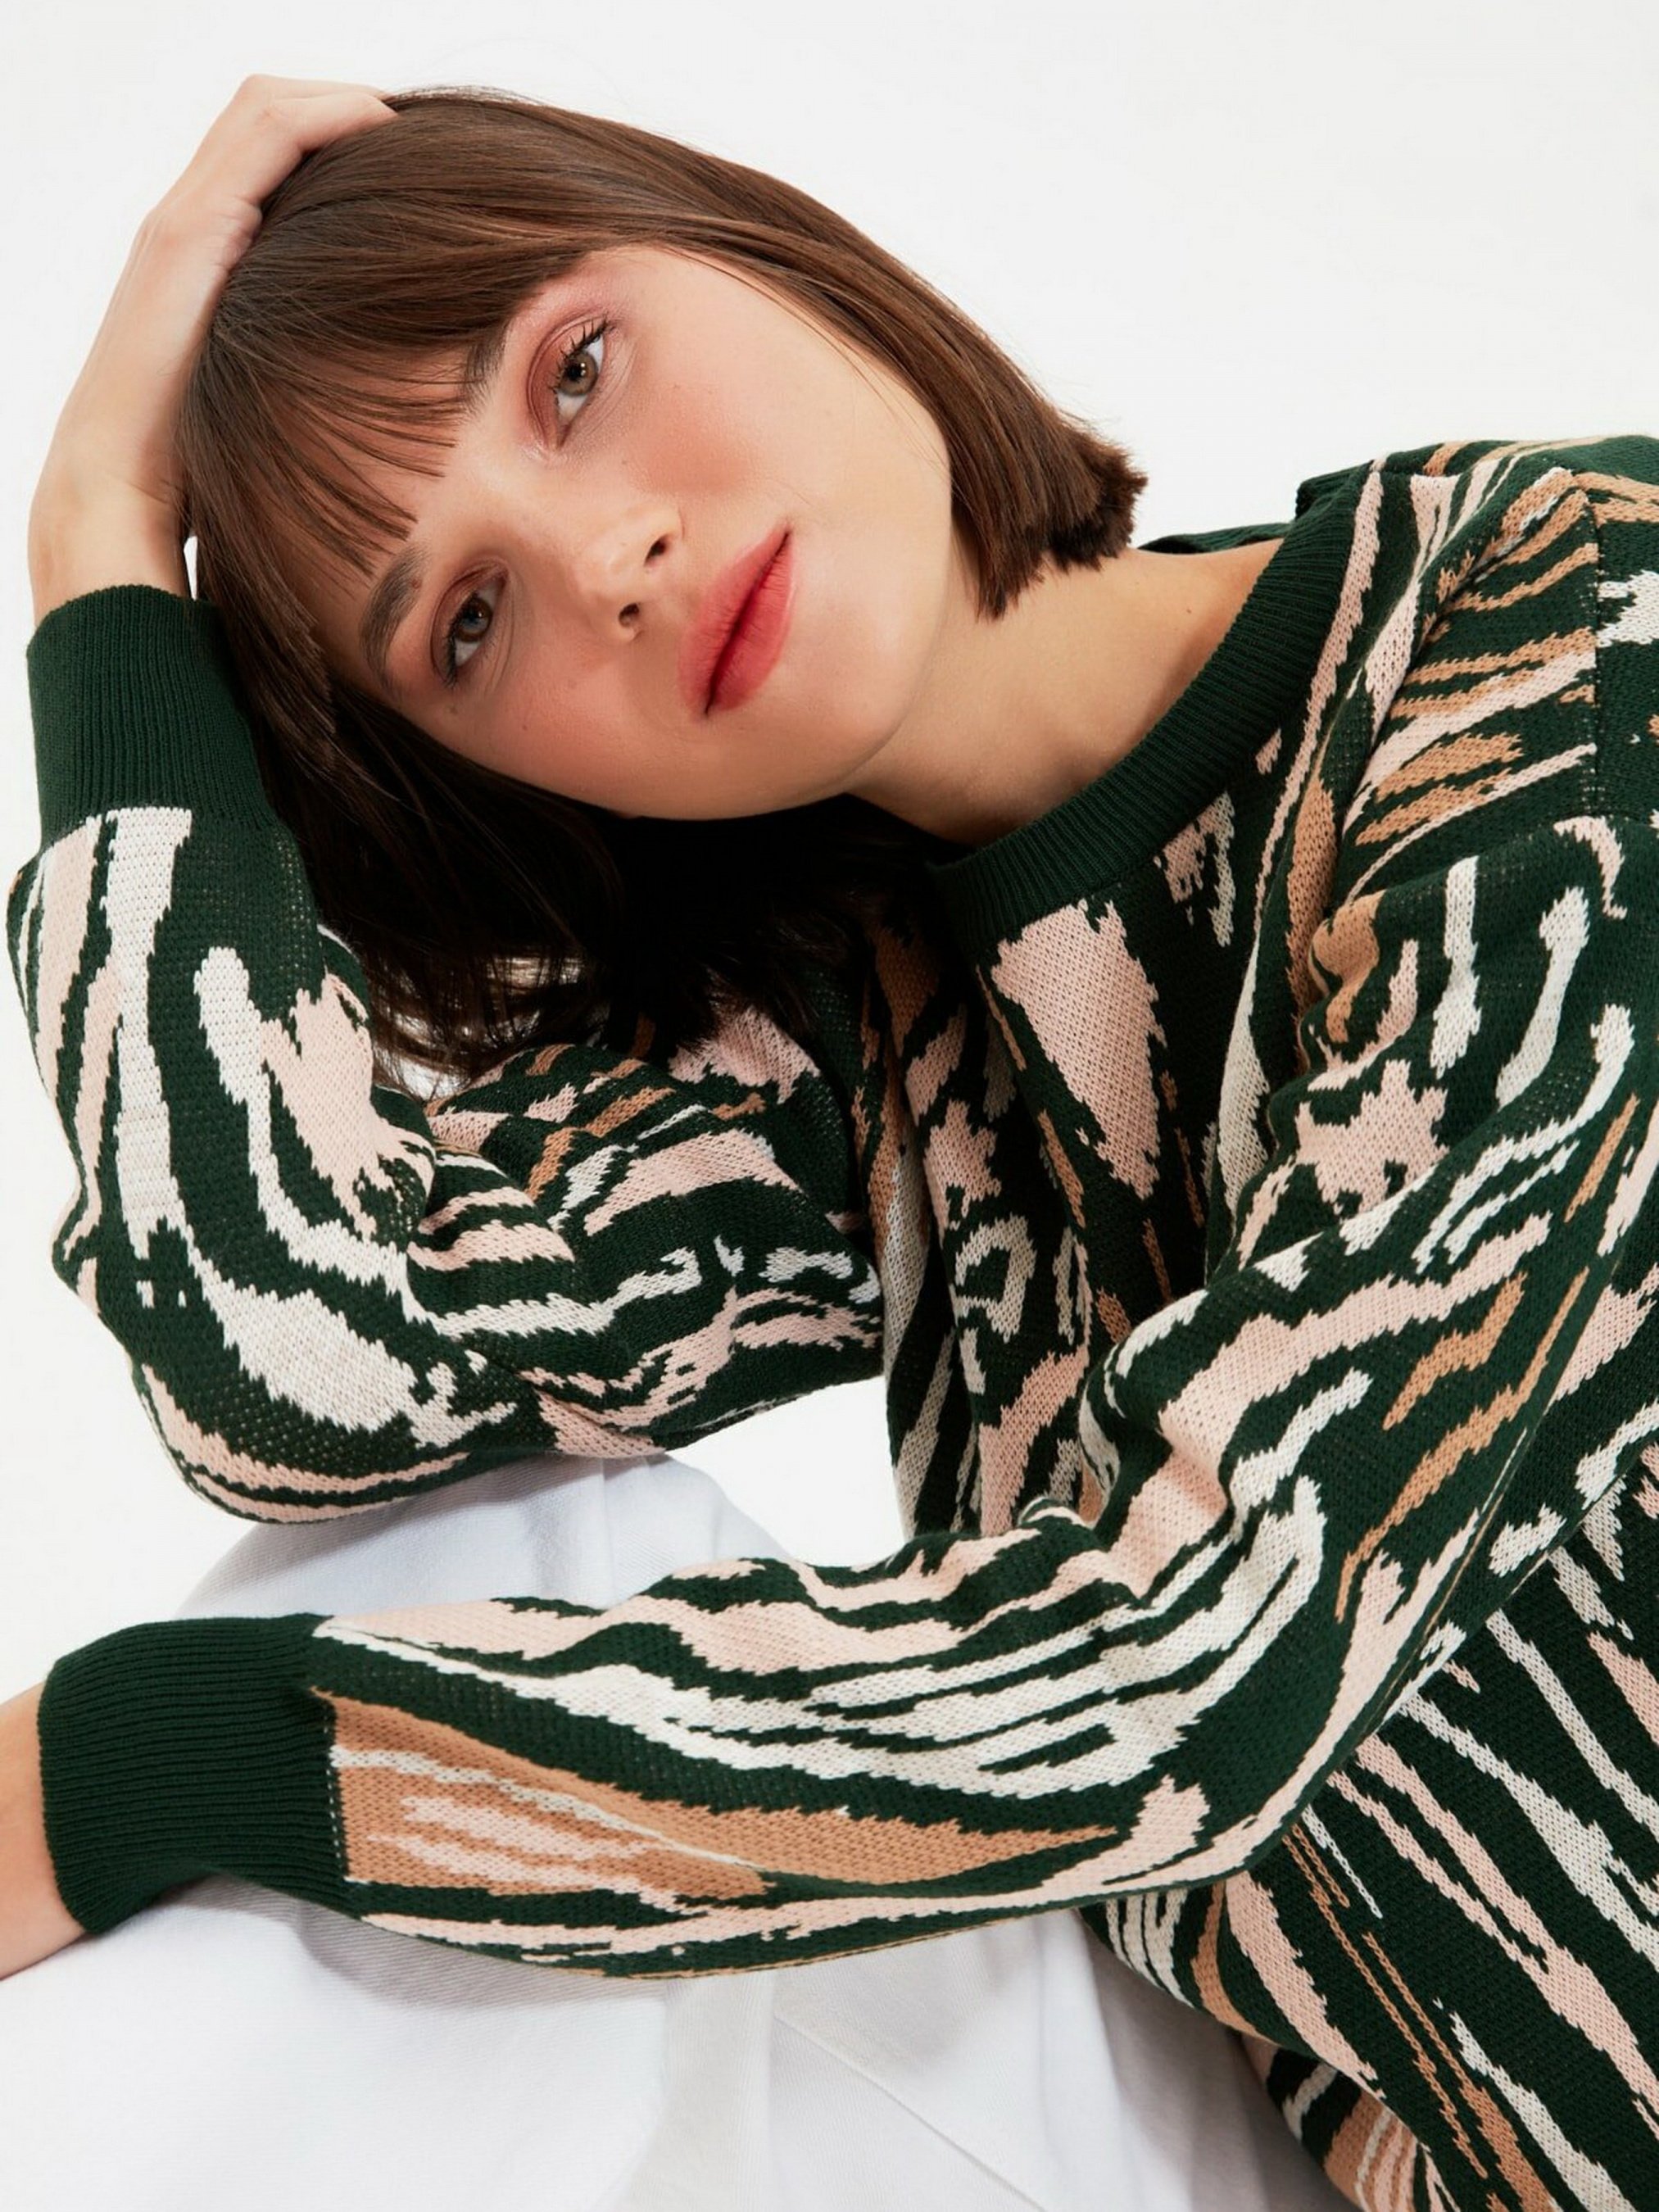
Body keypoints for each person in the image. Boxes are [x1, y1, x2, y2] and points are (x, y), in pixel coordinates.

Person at [8, 71, 1659, 2212]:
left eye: (573, 371)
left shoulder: (1564, 660)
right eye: (467, 623)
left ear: (740, 239)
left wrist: (152, 1762)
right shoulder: (876, 1017)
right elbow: (296, 1352)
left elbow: (1196, 1670)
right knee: (488, 1572)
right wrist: (99, 560)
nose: (607, 558)